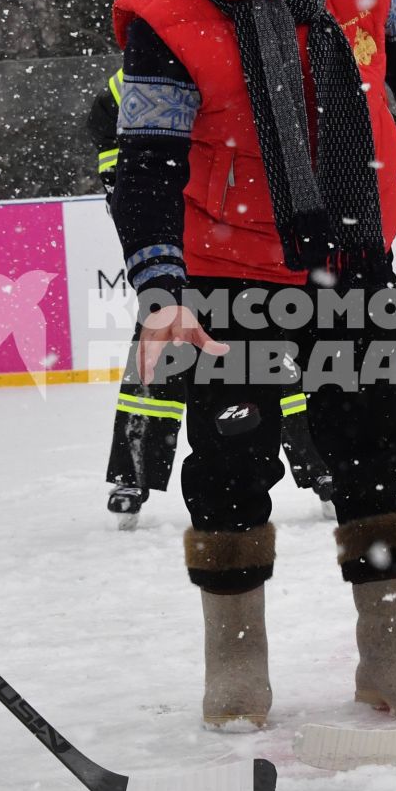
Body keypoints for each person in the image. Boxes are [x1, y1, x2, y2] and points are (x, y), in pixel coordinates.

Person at [109, 0, 396, 731]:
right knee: (228, 465)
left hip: (350, 251)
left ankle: (390, 649)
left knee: (372, 447)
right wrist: (161, 292)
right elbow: (145, 166)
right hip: (226, 271)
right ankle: (237, 665)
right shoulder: (161, 15)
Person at [91, 71, 336, 529]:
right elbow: (106, 118)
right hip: (179, 251)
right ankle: (133, 475)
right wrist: (124, 185)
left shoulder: (255, 57)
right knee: (157, 361)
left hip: (248, 249)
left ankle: (323, 471)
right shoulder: (149, 67)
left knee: (276, 365)